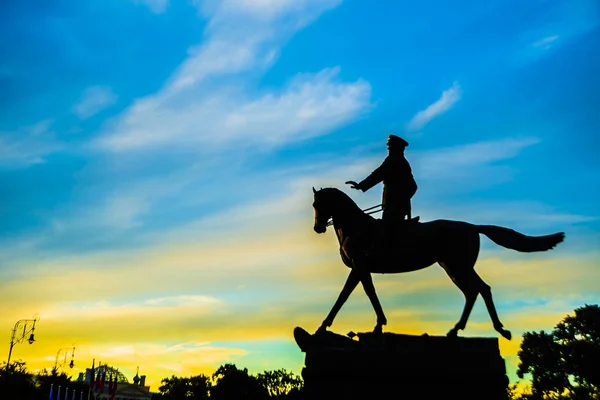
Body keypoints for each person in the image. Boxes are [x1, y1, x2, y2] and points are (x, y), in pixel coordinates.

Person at [346, 134, 418, 229]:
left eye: (390, 146)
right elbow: (413, 186)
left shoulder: (393, 161)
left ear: (397, 148)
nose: (388, 148)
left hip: (393, 209)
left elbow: (377, 175)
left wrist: (361, 185)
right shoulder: (401, 162)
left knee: (385, 234)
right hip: (395, 207)